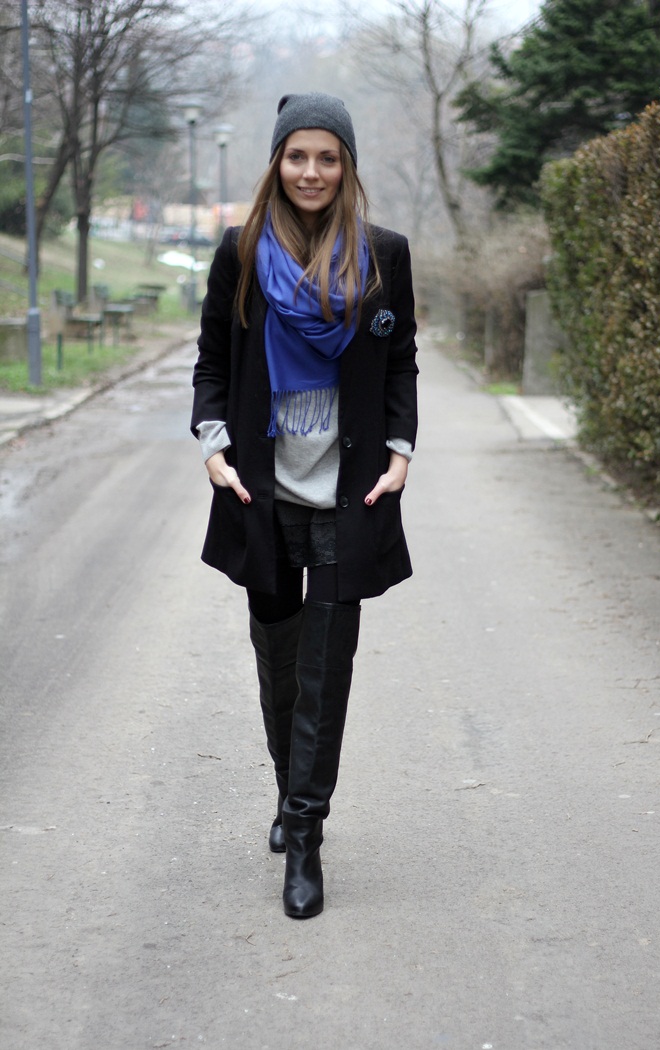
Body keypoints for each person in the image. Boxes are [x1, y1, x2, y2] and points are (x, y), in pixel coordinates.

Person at [191, 92, 418, 919]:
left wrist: (401, 449)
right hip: (261, 489)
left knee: (328, 667)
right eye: (298, 156)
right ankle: (291, 795)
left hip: (348, 493)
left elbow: (401, 362)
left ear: (346, 166)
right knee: (280, 661)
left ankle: (306, 835)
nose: (312, 172)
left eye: (328, 157)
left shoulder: (384, 255)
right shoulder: (240, 251)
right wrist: (213, 444)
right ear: (277, 162)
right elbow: (213, 360)